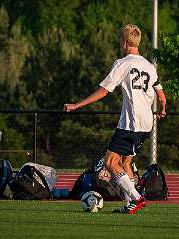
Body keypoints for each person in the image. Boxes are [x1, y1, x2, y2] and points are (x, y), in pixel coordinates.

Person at [64, 24, 166, 214]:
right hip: (146, 124)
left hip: (130, 123)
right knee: (125, 163)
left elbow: (103, 91)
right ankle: (130, 205)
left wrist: (77, 105)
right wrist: (162, 109)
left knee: (110, 162)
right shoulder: (149, 66)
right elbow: (161, 95)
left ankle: (136, 198)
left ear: (125, 42)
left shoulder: (123, 64)